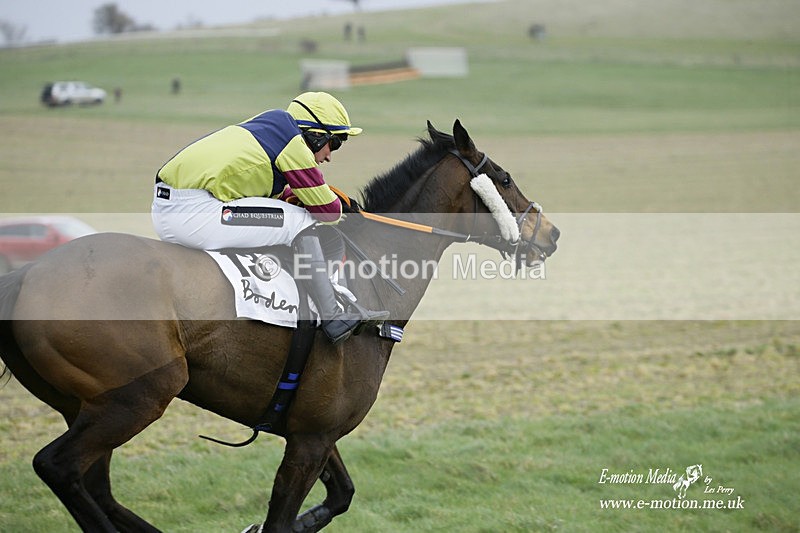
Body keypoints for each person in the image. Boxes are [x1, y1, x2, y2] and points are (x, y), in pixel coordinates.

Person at [151, 91, 388, 345]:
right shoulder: (294, 146)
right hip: (194, 212)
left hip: (174, 205)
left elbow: (265, 187)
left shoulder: (272, 124)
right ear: (316, 136)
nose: (329, 156)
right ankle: (332, 315)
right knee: (299, 221)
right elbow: (327, 212)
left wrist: (299, 196)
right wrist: (342, 206)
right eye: (335, 143)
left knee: (288, 215)